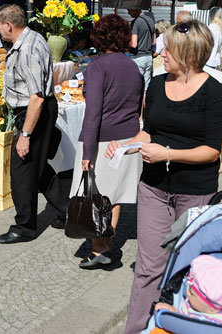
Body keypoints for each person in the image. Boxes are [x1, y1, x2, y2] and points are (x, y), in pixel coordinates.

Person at [106, 19, 222, 333]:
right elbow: (149, 131)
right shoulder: (157, 85)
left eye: (169, 50)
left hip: (195, 191)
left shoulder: (215, 92)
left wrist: (169, 154)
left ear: (190, 55)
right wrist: (127, 144)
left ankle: (180, 324)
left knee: (188, 264)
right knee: (148, 267)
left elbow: (213, 150)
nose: (161, 54)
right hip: (153, 188)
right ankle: (136, 329)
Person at [72, 14, 143, 269]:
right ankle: (106, 246)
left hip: (101, 139)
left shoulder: (97, 66)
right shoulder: (132, 66)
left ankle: (100, 249)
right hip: (126, 138)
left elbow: (93, 113)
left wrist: (87, 152)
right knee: (113, 197)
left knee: (95, 196)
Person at [0, 4, 67, 244]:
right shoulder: (32, 38)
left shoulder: (28, 49)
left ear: (8, 25)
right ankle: (67, 210)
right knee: (38, 165)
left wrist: (25, 134)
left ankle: (24, 227)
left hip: (34, 111)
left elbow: (36, 96)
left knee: (22, 168)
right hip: (36, 109)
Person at [154, 255, 222, 334]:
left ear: (212, 307)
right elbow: (179, 319)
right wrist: (170, 310)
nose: (187, 293)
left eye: (191, 293)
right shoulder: (189, 306)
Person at [129, 9, 156, 90]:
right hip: (148, 57)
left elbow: (134, 44)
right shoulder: (151, 20)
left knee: (136, 87)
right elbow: (153, 42)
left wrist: (123, 42)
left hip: (137, 57)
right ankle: (145, 102)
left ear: (135, 9)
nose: (128, 12)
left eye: (129, 10)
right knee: (146, 87)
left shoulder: (136, 22)